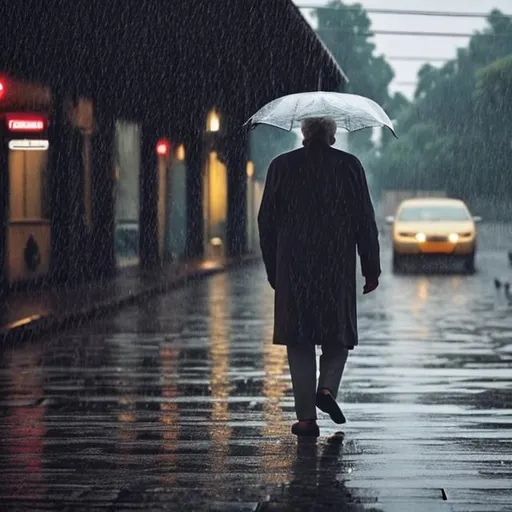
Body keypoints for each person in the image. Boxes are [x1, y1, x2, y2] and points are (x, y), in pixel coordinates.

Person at [257, 117, 381, 437]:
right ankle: (326, 388)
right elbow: (365, 221)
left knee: (299, 340)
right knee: (337, 333)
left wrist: (274, 269)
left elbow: (266, 222)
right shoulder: (349, 166)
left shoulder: (281, 166)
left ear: (303, 132)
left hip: (293, 266)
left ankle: (306, 419)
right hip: (335, 265)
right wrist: (371, 268)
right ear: (332, 134)